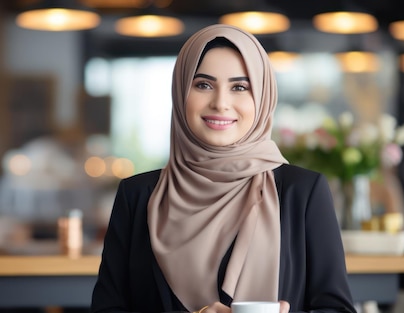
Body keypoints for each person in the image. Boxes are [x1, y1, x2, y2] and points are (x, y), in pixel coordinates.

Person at [90, 24, 356, 313]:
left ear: (263, 98)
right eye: (203, 84)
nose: (220, 103)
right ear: (181, 93)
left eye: (239, 87)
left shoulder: (302, 193)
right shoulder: (137, 196)